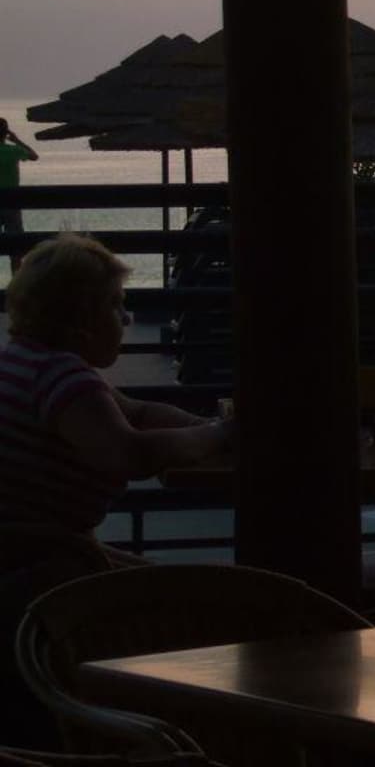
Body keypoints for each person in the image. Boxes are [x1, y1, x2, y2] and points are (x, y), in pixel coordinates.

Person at [0, 234, 232, 746]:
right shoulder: (66, 380)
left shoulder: (28, 360)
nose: (126, 319)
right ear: (80, 320)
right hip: (41, 572)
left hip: (25, 554)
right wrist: (217, 436)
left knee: (178, 586)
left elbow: (140, 413)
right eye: (115, 305)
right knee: (195, 604)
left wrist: (204, 427)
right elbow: (129, 453)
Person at [0, 118, 38, 273]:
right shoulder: (14, 151)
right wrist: (16, 140)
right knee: (15, 249)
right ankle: (17, 282)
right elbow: (34, 156)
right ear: (6, 133)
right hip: (12, 202)